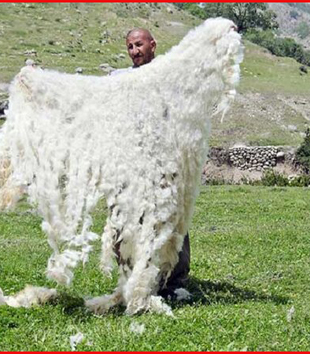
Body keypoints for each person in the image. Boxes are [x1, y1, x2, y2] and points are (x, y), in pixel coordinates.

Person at [111, 28, 191, 297]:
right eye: (130, 47)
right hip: (130, 161)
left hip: (163, 160)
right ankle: (135, 276)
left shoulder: (169, 77)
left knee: (170, 216)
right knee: (127, 218)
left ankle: (174, 278)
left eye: (139, 45)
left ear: (153, 45)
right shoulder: (119, 78)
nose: (134, 51)